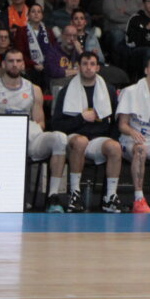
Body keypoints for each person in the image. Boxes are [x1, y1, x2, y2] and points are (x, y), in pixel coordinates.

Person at [0, 49, 71, 211]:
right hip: (2, 143)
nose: (15, 64)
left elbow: (40, 122)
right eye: (11, 61)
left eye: (18, 61)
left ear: (23, 64)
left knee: (60, 138)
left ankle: (53, 197)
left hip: (29, 138)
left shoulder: (34, 89)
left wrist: (25, 133)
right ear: (3, 64)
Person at [50, 51, 122, 213]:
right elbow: (56, 125)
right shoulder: (66, 91)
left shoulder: (108, 91)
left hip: (97, 140)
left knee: (115, 146)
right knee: (81, 141)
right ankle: (75, 193)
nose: (88, 68)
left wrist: (111, 139)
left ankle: (110, 196)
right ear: (78, 67)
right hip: (74, 137)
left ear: (97, 67)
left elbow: (117, 121)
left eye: (92, 64)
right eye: (84, 64)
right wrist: (81, 118)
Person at [117, 53, 150, 214]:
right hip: (130, 139)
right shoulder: (131, 91)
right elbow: (122, 125)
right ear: (146, 70)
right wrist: (132, 131)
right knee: (140, 149)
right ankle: (139, 199)